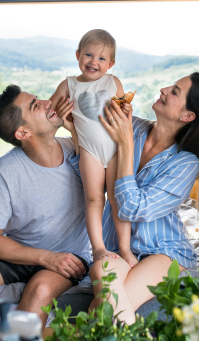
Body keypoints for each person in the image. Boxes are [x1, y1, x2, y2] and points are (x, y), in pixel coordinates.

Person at [0, 85, 92, 341]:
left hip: (67, 256)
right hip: (18, 253)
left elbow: (100, 190)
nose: (48, 102)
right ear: (23, 132)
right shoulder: (3, 171)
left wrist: (76, 130)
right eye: (36, 105)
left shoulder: (77, 151)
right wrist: (44, 257)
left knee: (40, 290)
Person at [86, 72, 199, 324]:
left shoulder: (186, 162)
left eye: (174, 91)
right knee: (99, 269)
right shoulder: (133, 128)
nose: (163, 89)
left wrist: (126, 146)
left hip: (163, 251)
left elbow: (132, 208)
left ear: (187, 116)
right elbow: (89, 135)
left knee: (105, 313)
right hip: (118, 248)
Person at [49, 29, 138, 268]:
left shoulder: (113, 82)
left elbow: (124, 113)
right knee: (94, 199)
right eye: (88, 55)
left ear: (111, 63)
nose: (93, 62)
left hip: (116, 149)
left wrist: (127, 112)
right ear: (78, 55)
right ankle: (98, 248)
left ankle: (125, 249)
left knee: (118, 200)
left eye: (101, 58)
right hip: (89, 150)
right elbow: (52, 110)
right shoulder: (69, 85)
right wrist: (63, 121)